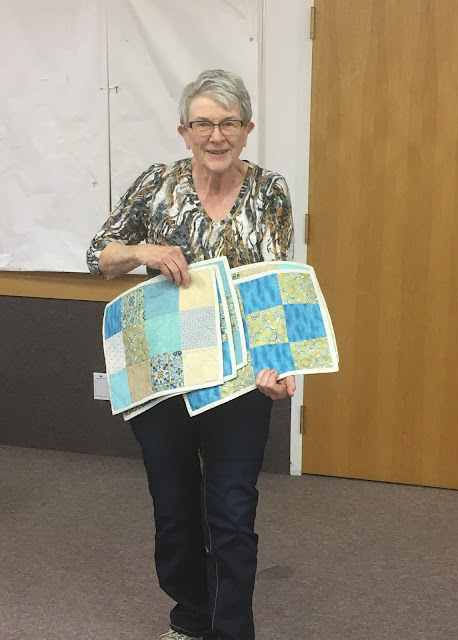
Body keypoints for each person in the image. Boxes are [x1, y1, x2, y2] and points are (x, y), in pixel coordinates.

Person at [87, 69, 295, 640]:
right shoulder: (157, 185)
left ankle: (232, 630)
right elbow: (99, 256)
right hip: (163, 375)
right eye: (203, 123)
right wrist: (144, 251)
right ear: (184, 131)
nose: (216, 135)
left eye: (229, 123)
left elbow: (274, 284)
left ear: (248, 129)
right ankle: (190, 618)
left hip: (239, 377)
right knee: (176, 512)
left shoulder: (270, 191)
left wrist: (280, 365)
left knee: (232, 513)